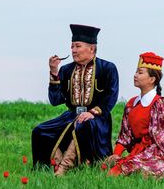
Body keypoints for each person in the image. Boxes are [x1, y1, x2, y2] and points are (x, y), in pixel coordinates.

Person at [31, 24, 119, 176]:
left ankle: (64, 167)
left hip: (96, 118)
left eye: (78, 46)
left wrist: (93, 112)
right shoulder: (66, 70)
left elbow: (111, 97)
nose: (73, 50)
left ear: (91, 48)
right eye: (72, 46)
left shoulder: (108, 68)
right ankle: (55, 164)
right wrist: (54, 73)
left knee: (83, 124)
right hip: (71, 116)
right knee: (40, 131)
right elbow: (55, 100)